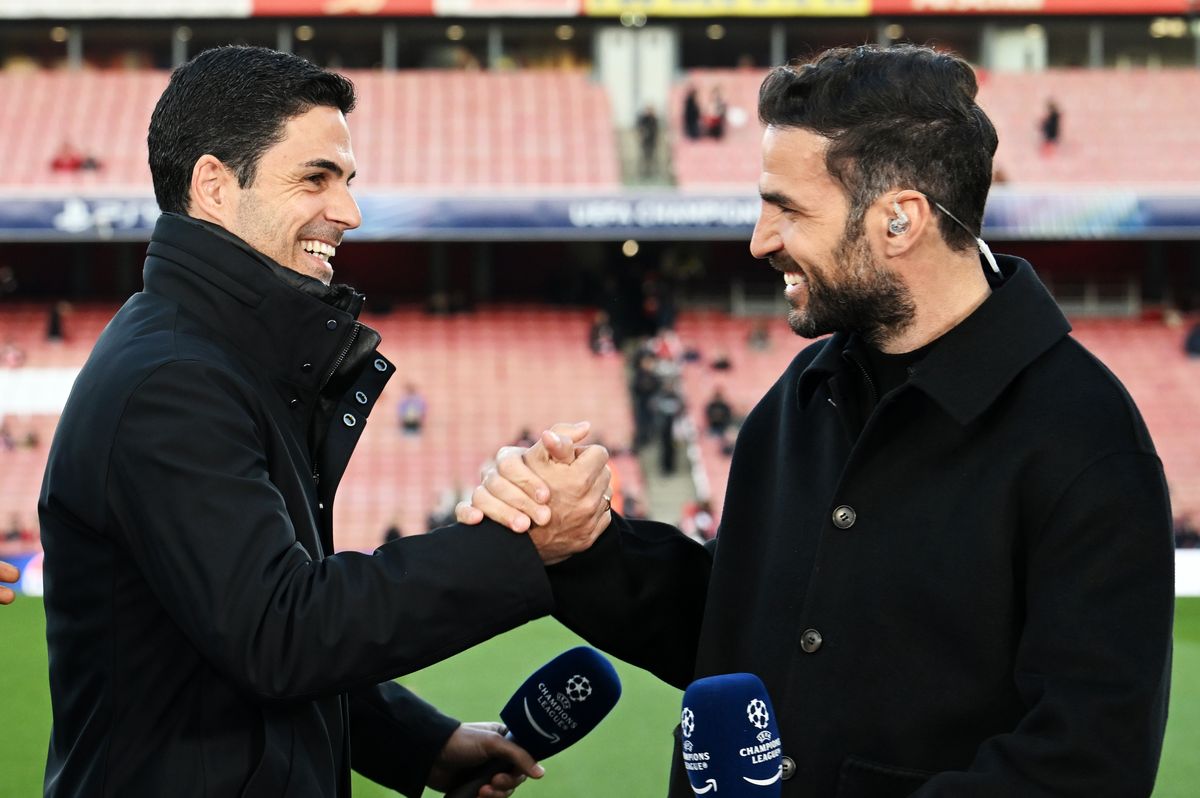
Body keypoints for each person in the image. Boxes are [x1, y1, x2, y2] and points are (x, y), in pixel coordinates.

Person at [459, 44, 1175, 797]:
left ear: (900, 221)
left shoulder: (1084, 437)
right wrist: (588, 547)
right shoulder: (807, 389)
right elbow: (742, 628)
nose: (759, 240)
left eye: (788, 209)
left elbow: (1087, 762)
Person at [38, 46, 613, 798]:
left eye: (347, 180)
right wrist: (521, 550)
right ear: (214, 185)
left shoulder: (218, 358)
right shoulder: (174, 380)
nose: (349, 212)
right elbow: (280, 634)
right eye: (316, 178)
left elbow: (226, 627)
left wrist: (422, 746)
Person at [636, 104, 659, 177]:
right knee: (644, 157)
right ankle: (643, 173)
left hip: (652, 141)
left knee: (652, 158)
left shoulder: (654, 119)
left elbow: (656, 131)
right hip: (645, 141)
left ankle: (651, 173)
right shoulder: (643, 119)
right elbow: (640, 129)